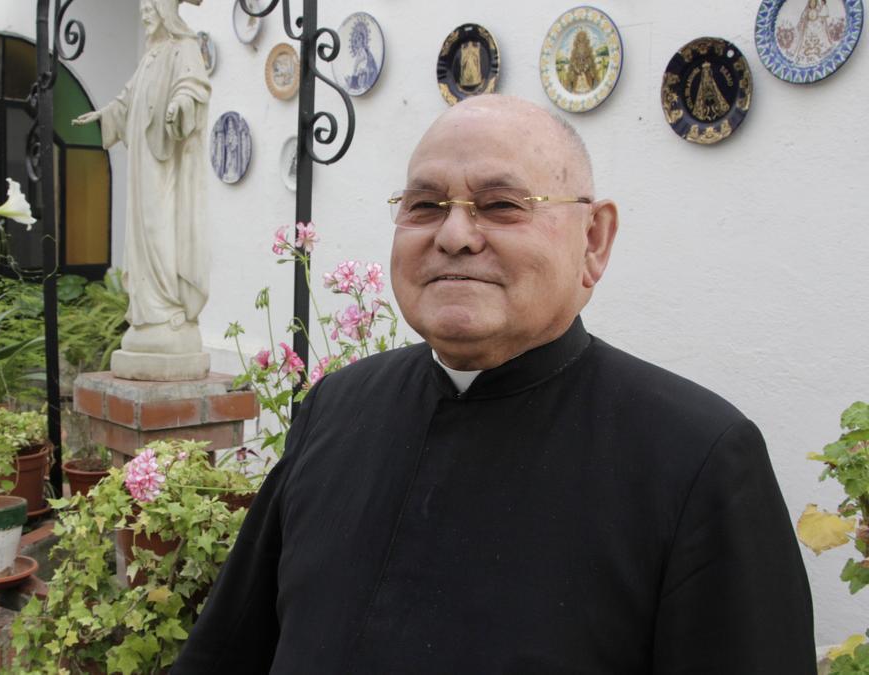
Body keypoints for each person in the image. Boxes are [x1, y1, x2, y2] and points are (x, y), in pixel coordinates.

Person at [174, 95, 815, 673]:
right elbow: (227, 654)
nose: (454, 236)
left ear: (594, 239)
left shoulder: (697, 459)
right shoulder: (337, 407)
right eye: (424, 205)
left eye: (502, 206)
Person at [73, 0, 210, 361]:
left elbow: (194, 88)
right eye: (142, 7)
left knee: (161, 231)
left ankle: (167, 309)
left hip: (165, 168)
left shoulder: (185, 48)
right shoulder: (151, 56)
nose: (144, 13)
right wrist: (104, 116)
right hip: (143, 168)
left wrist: (180, 105)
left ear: (165, 10)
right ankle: (147, 315)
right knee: (140, 237)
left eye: (150, 6)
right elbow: (127, 100)